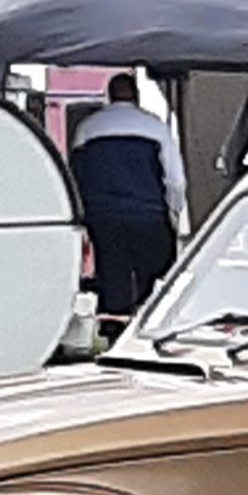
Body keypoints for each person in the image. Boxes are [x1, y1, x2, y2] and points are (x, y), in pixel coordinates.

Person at [69, 75, 186, 324]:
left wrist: (83, 218)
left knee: (113, 280)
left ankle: (114, 329)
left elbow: (75, 178)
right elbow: (175, 180)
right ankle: (151, 326)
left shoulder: (87, 129)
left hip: (104, 217)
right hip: (149, 216)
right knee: (156, 285)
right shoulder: (156, 128)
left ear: (109, 96)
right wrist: (174, 212)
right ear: (136, 95)